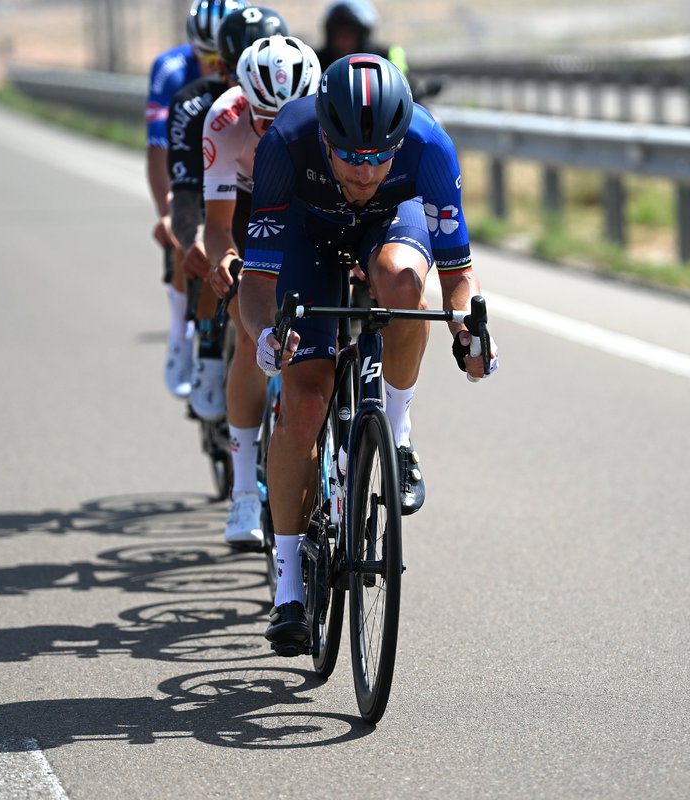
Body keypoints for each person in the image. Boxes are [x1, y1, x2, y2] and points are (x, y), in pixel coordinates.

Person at [236, 54, 498, 654]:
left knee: (405, 288)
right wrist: (265, 335)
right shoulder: (285, 143)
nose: (366, 170)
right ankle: (289, 588)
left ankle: (399, 438)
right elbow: (256, 285)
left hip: (389, 228)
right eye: (350, 156)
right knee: (305, 397)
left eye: (380, 154)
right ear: (323, 138)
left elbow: (459, 276)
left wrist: (471, 329)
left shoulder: (429, 145)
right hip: (309, 237)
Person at [183, 33, 320, 547]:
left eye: (287, 115)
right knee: (251, 330)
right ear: (243, 99)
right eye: (264, 119)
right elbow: (218, 224)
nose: (276, 128)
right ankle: (243, 492)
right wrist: (226, 259)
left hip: (304, 204)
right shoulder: (223, 120)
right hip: (245, 207)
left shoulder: (324, 117)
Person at [147, 0, 249, 399]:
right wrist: (169, 215)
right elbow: (159, 152)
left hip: (236, 176)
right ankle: (181, 334)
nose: (212, 65)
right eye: (203, 56)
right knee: (182, 234)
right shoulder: (172, 72)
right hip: (191, 170)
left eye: (219, 57)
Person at [315, 0, 406, 75]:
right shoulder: (315, 63)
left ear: (363, 36)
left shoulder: (388, 60)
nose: (342, 40)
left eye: (349, 33)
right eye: (336, 33)